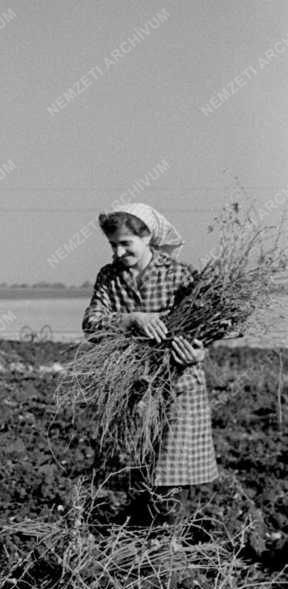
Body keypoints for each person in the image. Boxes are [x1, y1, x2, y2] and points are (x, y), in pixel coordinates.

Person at [82, 203, 216, 523]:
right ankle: (142, 527)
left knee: (171, 468)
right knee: (139, 462)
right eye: (113, 244)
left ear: (146, 237)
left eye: (125, 243)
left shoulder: (180, 274)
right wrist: (132, 318)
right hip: (133, 386)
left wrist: (198, 352)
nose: (118, 252)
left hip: (179, 382)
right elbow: (91, 324)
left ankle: (167, 539)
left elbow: (206, 328)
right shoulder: (109, 277)